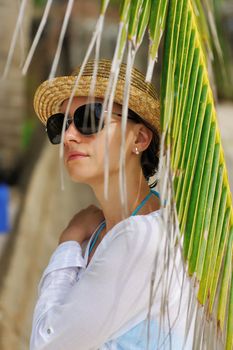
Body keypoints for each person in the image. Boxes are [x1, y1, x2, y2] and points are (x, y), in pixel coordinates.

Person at [30, 59, 194, 350]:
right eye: (61, 124)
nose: (69, 136)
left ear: (140, 138)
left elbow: (47, 343)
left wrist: (68, 242)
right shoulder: (108, 232)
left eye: (89, 119)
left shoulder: (142, 238)